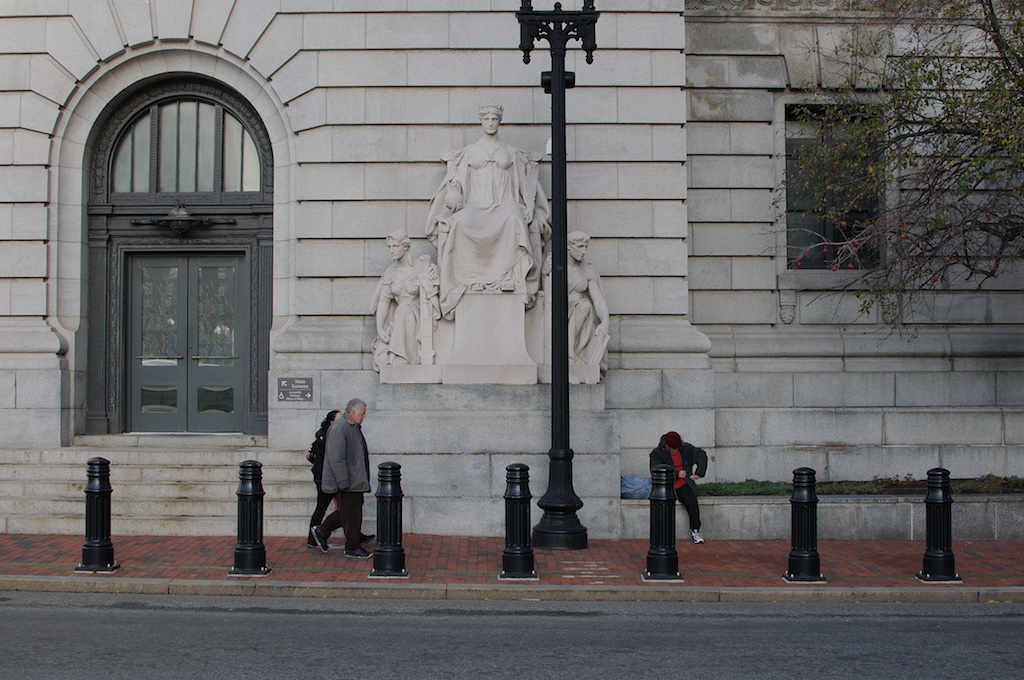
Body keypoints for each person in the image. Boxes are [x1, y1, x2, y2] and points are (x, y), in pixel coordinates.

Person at [425, 104, 550, 317]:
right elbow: (456, 186)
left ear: (499, 121)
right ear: (481, 121)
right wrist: (454, 193)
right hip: (475, 204)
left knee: (514, 219)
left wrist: (529, 207)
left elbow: (525, 184)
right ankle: (467, 281)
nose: (490, 123)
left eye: (494, 119)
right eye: (486, 119)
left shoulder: (510, 153)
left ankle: (510, 279)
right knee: (462, 222)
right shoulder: (469, 152)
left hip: (504, 202)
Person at [309, 398, 375, 558]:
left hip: (355, 479)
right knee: (352, 514)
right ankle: (352, 547)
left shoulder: (352, 427)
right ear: (352, 412)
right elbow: (336, 458)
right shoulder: (341, 428)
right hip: (347, 481)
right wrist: (343, 481)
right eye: (363, 412)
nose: (364, 416)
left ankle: (321, 531)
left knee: (348, 512)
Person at [371, 231, 440, 370]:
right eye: (389, 247)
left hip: (421, 314)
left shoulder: (422, 266)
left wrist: (436, 271)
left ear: (406, 247)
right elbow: (384, 302)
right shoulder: (391, 272)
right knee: (403, 308)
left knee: (406, 307)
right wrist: (379, 328)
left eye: (395, 246)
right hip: (399, 319)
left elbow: (437, 282)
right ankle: (397, 353)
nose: (391, 250)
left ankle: (401, 355)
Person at [650, 430, 709, 544]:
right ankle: (662, 535)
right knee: (663, 506)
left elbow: (701, 455)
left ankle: (695, 530)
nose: (675, 451)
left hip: (683, 485)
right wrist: (676, 474)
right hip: (665, 486)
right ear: (667, 447)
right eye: (673, 449)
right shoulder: (657, 453)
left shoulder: (687, 449)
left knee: (691, 501)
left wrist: (699, 472)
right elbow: (655, 470)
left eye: (677, 448)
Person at [566, 231, 609, 379]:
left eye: (585, 247)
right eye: (579, 247)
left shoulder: (587, 270)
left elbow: (598, 300)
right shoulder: (555, 265)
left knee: (584, 306)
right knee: (583, 306)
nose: (583, 251)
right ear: (568, 246)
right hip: (557, 313)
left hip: (581, 314)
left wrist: (604, 322)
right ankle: (569, 355)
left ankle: (571, 354)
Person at [305, 409, 340, 548]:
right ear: (331, 422)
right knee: (324, 507)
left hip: (322, 476)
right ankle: (316, 535)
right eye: (338, 419)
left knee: (345, 507)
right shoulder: (329, 437)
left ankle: (313, 539)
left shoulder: (322, 436)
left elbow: (311, 455)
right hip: (325, 478)